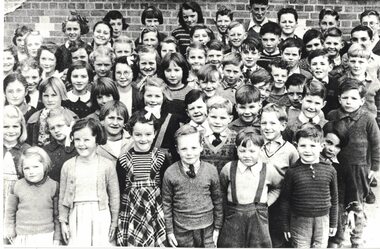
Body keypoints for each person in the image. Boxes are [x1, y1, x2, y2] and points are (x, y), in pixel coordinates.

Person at [327, 79, 380, 247]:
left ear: (362, 101)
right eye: (345, 98)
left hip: (358, 168)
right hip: (336, 166)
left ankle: (357, 236)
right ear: (339, 99)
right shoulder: (333, 116)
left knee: (356, 203)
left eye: (353, 98)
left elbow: (376, 143)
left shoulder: (368, 118)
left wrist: (375, 167)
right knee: (339, 202)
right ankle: (337, 238)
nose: (349, 102)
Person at [59, 118, 120, 246]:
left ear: (97, 139)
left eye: (86, 140)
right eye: (77, 139)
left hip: (100, 214)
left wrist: (114, 222)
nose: (81, 144)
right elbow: (62, 196)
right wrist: (63, 222)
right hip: (76, 215)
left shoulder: (107, 165)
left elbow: (114, 196)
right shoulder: (68, 166)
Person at [218, 128, 282, 247]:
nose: (247, 155)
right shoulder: (229, 168)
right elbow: (221, 189)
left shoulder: (268, 170)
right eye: (242, 151)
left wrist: (267, 202)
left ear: (261, 150)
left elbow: (278, 187)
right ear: (237, 149)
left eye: (252, 151)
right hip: (233, 217)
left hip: (258, 218)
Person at [162, 125, 223, 247]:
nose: (189, 153)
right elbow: (166, 203)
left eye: (194, 148)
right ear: (177, 149)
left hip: (207, 229)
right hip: (182, 230)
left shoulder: (211, 170)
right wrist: (169, 231)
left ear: (201, 147)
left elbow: (218, 200)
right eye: (184, 149)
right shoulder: (170, 172)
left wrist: (217, 228)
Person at [280, 124, 338, 248]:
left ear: (321, 146)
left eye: (312, 146)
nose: (307, 150)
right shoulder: (292, 172)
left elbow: (334, 198)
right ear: (296, 146)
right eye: (303, 146)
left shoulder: (330, 170)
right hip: (299, 221)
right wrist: (285, 225)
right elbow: (285, 200)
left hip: (323, 220)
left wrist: (333, 223)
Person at [116, 110, 168, 246]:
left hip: (155, 208)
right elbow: (121, 188)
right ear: (130, 134)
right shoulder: (123, 159)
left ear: (155, 133)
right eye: (138, 134)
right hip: (132, 208)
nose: (143, 139)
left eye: (148, 134)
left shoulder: (161, 158)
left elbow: (165, 187)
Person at [259, 103, 299, 247]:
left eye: (272, 123)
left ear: (282, 126)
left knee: (278, 238)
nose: (267, 127)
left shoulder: (290, 150)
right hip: (259, 198)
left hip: (281, 200)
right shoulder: (256, 146)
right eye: (264, 123)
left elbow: (296, 175)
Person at [5, 147, 60, 246]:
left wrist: (57, 237)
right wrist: (10, 231)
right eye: (26, 168)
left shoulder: (53, 186)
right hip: (22, 236)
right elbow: (10, 212)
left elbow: (57, 216)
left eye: (36, 167)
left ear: (45, 165)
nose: (31, 171)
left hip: (46, 236)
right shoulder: (17, 186)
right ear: (21, 169)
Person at [321, 122, 360, 248]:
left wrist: (350, 211)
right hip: (316, 209)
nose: (332, 149)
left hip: (337, 208)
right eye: (328, 142)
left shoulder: (342, 162)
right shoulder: (312, 159)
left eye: (337, 146)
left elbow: (351, 187)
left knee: (335, 241)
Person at [3, 105, 31, 238]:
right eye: (5, 127)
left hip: (18, 198)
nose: (11, 131)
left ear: (22, 128)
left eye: (15, 126)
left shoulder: (26, 150)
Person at [26, 76, 78, 146]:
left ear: (61, 95)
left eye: (54, 95)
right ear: (41, 96)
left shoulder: (72, 118)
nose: (50, 100)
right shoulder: (33, 119)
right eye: (46, 96)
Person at [339, 43, 380, 127]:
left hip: (370, 123)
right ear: (348, 60)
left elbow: (378, 104)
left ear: (368, 62)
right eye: (353, 61)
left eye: (361, 62)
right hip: (347, 123)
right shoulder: (341, 81)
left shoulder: (375, 82)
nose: (356, 65)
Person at [200, 95, 237, 173]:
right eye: (213, 117)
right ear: (206, 116)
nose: (217, 122)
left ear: (230, 119)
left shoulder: (235, 138)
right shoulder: (198, 137)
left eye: (222, 118)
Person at [43, 108, 77, 183]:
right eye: (52, 128)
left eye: (60, 126)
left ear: (70, 125)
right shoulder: (45, 151)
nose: (56, 130)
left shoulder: (79, 147)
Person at [308, 49, 340, 116]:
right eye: (314, 64)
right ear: (310, 68)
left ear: (330, 67)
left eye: (322, 64)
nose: (318, 67)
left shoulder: (337, 84)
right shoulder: (306, 85)